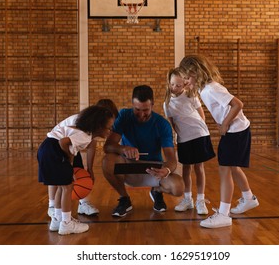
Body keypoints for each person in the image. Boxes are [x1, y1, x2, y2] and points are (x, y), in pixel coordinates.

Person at [179, 54, 259, 228]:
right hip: (236, 131)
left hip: (235, 132)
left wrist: (224, 124)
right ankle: (248, 198)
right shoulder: (203, 88)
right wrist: (186, 84)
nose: (185, 81)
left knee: (224, 169)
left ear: (195, 73)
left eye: (187, 77)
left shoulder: (212, 88)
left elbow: (238, 104)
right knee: (232, 166)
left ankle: (223, 214)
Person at [102, 85, 184, 217]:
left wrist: (166, 170)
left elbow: (172, 159)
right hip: (129, 166)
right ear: (132, 104)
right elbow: (108, 146)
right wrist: (123, 149)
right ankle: (124, 199)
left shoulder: (162, 124)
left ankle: (157, 191)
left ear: (152, 104)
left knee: (178, 187)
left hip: (153, 169)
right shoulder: (124, 116)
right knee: (107, 161)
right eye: (137, 109)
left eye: (145, 110)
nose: (141, 115)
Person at [38, 105, 115, 235]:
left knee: (62, 186)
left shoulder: (84, 132)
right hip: (54, 149)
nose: (110, 131)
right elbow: (63, 143)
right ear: (98, 126)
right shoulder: (84, 135)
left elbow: (70, 149)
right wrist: (68, 164)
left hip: (46, 148)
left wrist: (70, 165)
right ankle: (67, 223)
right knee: (68, 187)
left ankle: (57, 219)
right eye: (108, 128)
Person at [163, 67, 216, 215]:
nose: (175, 88)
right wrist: (178, 136)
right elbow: (172, 123)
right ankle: (188, 199)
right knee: (186, 169)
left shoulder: (191, 96)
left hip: (199, 135)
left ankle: (200, 200)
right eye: (172, 84)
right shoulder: (167, 103)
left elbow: (201, 116)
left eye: (179, 85)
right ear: (169, 82)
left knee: (199, 168)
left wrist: (200, 131)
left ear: (185, 84)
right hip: (183, 139)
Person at [76, 99, 119, 216]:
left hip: (70, 148)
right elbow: (64, 142)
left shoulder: (92, 128)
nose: (111, 127)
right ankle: (53, 206)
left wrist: (90, 168)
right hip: (56, 148)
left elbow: (91, 146)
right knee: (58, 178)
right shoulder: (83, 124)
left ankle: (83, 203)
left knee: (80, 173)